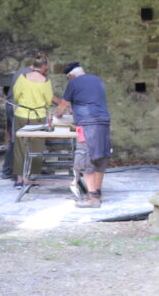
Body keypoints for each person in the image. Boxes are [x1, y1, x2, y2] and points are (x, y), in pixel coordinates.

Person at [54, 61, 111, 209]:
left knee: (84, 158)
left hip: (87, 124)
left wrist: (57, 115)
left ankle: (92, 199)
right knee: (100, 157)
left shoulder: (74, 83)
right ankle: (97, 192)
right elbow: (91, 101)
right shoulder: (97, 80)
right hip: (103, 122)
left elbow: (62, 106)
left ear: (71, 75)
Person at [10, 57, 54, 188]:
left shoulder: (22, 78)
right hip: (38, 116)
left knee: (20, 147)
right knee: (37, 147)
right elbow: (48, 101)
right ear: (43, 66)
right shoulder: (45, 81)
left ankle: (19, 179)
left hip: (22, 114)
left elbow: (16, 95)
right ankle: (33, 178)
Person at [1, 53, 44, 179]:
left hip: (13, 106)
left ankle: (14, 170)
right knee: (17, 139)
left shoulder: (23, 71)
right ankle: (11, 172)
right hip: (17, 108)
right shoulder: (29, 75)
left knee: (17, 138)